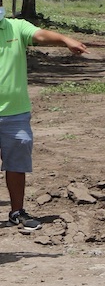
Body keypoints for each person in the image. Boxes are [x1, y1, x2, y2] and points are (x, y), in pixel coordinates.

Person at [0, 14, 88, 230]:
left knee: (17, 164)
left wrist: (65, 40)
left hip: (15, 112)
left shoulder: (16, 27)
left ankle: (17, 212)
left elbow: (39, 35)